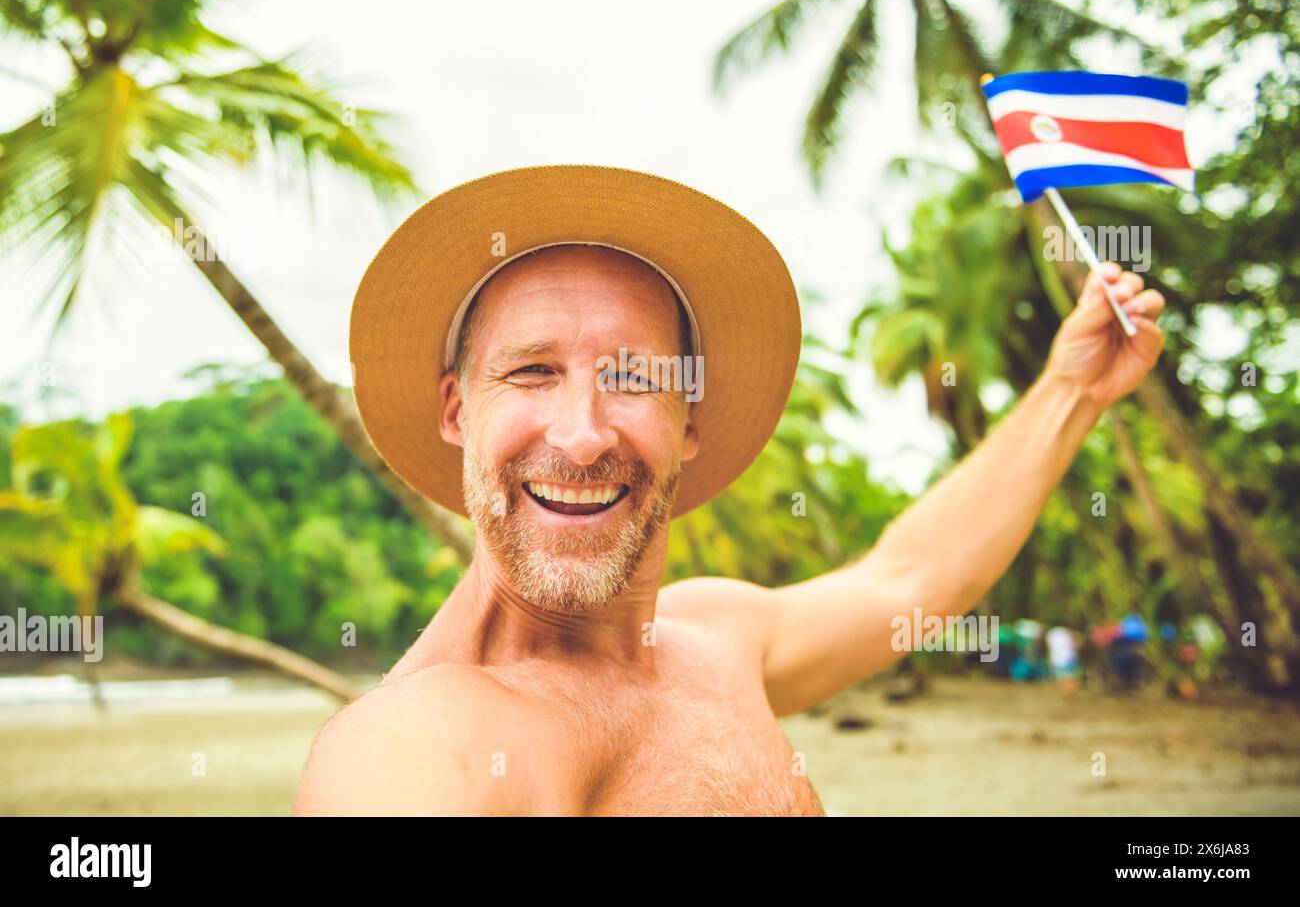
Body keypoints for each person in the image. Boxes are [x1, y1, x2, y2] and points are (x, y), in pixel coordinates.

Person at [294, 165, 1167, 815]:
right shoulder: (415, 751)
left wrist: (1072, 390)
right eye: (531, 371)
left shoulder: (715, 636)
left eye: (634, 376)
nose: (583, 431)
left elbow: (909, 581)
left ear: (690, 420)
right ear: (457, 408)